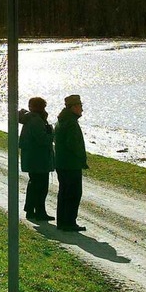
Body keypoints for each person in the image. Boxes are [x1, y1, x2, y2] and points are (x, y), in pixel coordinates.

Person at [54, 94, 88, 231]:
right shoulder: (71, 123)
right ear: (73, 107)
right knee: (73, 194)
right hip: (70, 164)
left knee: (64, 192)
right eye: (80, 106)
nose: (82, 110)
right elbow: (73, 145)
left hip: (62, 163)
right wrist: (81, 159)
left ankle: (62, 221)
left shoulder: (62, 120)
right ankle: (69, 222)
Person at [18, 97, 55, 221]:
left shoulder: (30, 119)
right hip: (39, 158)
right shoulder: (36, 120)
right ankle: (39, 211)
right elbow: (43, 140)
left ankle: (30, 209)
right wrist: (51, 133)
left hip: (32, 158)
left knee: (34, 184)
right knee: (41, 186)